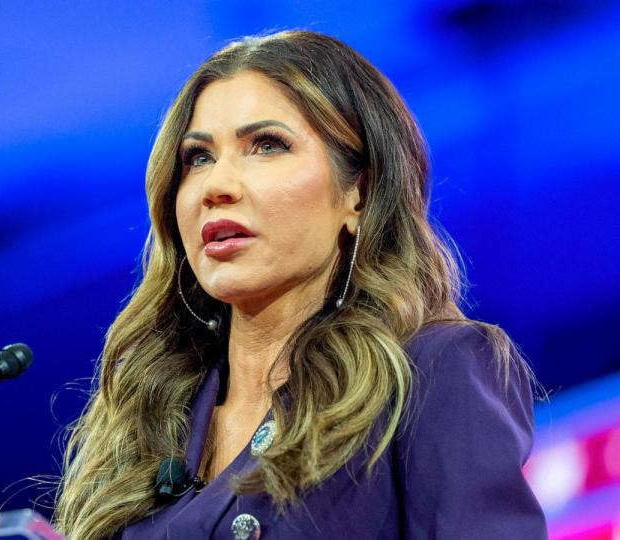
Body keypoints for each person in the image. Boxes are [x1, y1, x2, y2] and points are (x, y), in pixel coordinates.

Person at [54, 30, 546, 539]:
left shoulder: (430, 372)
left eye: (266, 146)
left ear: (359, 192)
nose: (216, 186)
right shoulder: (141, 427)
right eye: (197, 158)